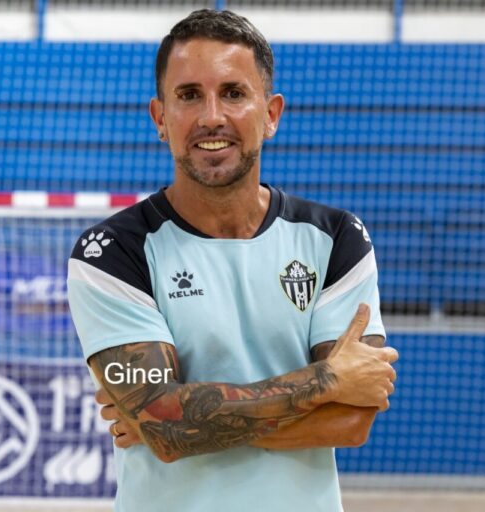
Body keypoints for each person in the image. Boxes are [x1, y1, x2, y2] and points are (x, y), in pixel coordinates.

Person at [67, 9, 398, 512]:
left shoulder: (335, 239)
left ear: (271, 114)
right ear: (160, 118)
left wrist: (181, 420)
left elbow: (351, 421)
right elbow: (166, 425)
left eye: (234, 93)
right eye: (188, 95)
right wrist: (325, 381)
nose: (212, 117)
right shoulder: (112, 252)